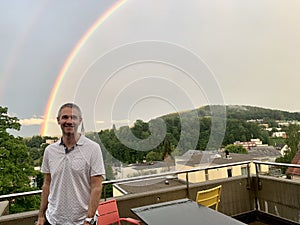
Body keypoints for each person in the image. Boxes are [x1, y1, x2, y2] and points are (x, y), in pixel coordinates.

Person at [37, 103, 105, 225]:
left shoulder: (93, 149)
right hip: (53, 220)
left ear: (80, 121)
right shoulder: (49, 151)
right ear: (58, 120)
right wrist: (41, 215)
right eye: (65, 117)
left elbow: (97, 187)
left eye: (73, 117)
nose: (69, 121)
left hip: (82, 221)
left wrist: (89, 220)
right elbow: (47, 184)